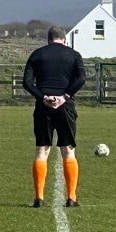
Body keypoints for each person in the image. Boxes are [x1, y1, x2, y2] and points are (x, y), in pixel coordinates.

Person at [22, 26, 86, 207]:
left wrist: (43, 97)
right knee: (68, 150)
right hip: (65, 107)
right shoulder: (74, 55)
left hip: (44, 107)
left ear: (48, 40)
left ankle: (39, 198)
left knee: (42, 151)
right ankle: (72, 198)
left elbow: (26, 82)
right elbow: (81, 79)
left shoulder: (37, 54)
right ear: (64, 39)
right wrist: (64, 96)